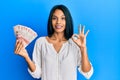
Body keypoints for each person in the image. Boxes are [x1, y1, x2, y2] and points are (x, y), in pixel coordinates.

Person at [14, 4, 93, 80]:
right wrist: (26, 57)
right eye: (54, 18)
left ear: (67, 21)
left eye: (63, 18)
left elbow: (87, 73)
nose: (58, 22)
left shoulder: (75, 43)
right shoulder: (41, 42)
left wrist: (83, 48)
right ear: (50, 21)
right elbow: (37, 74)